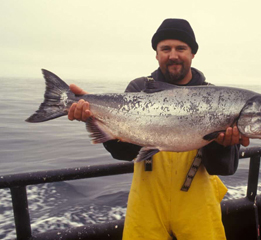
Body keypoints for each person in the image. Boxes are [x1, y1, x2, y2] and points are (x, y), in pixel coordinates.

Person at [68, 18, 250, 240]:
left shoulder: (216, 97)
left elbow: (224, 168)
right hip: (147, 202)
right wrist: (93, 116)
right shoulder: (139, 89)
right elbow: (123, 153)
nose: (173, 55)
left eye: (181, 48)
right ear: (156, 54)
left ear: (192, 53)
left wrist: (222, 145)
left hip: (197, 204)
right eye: (165, 48)